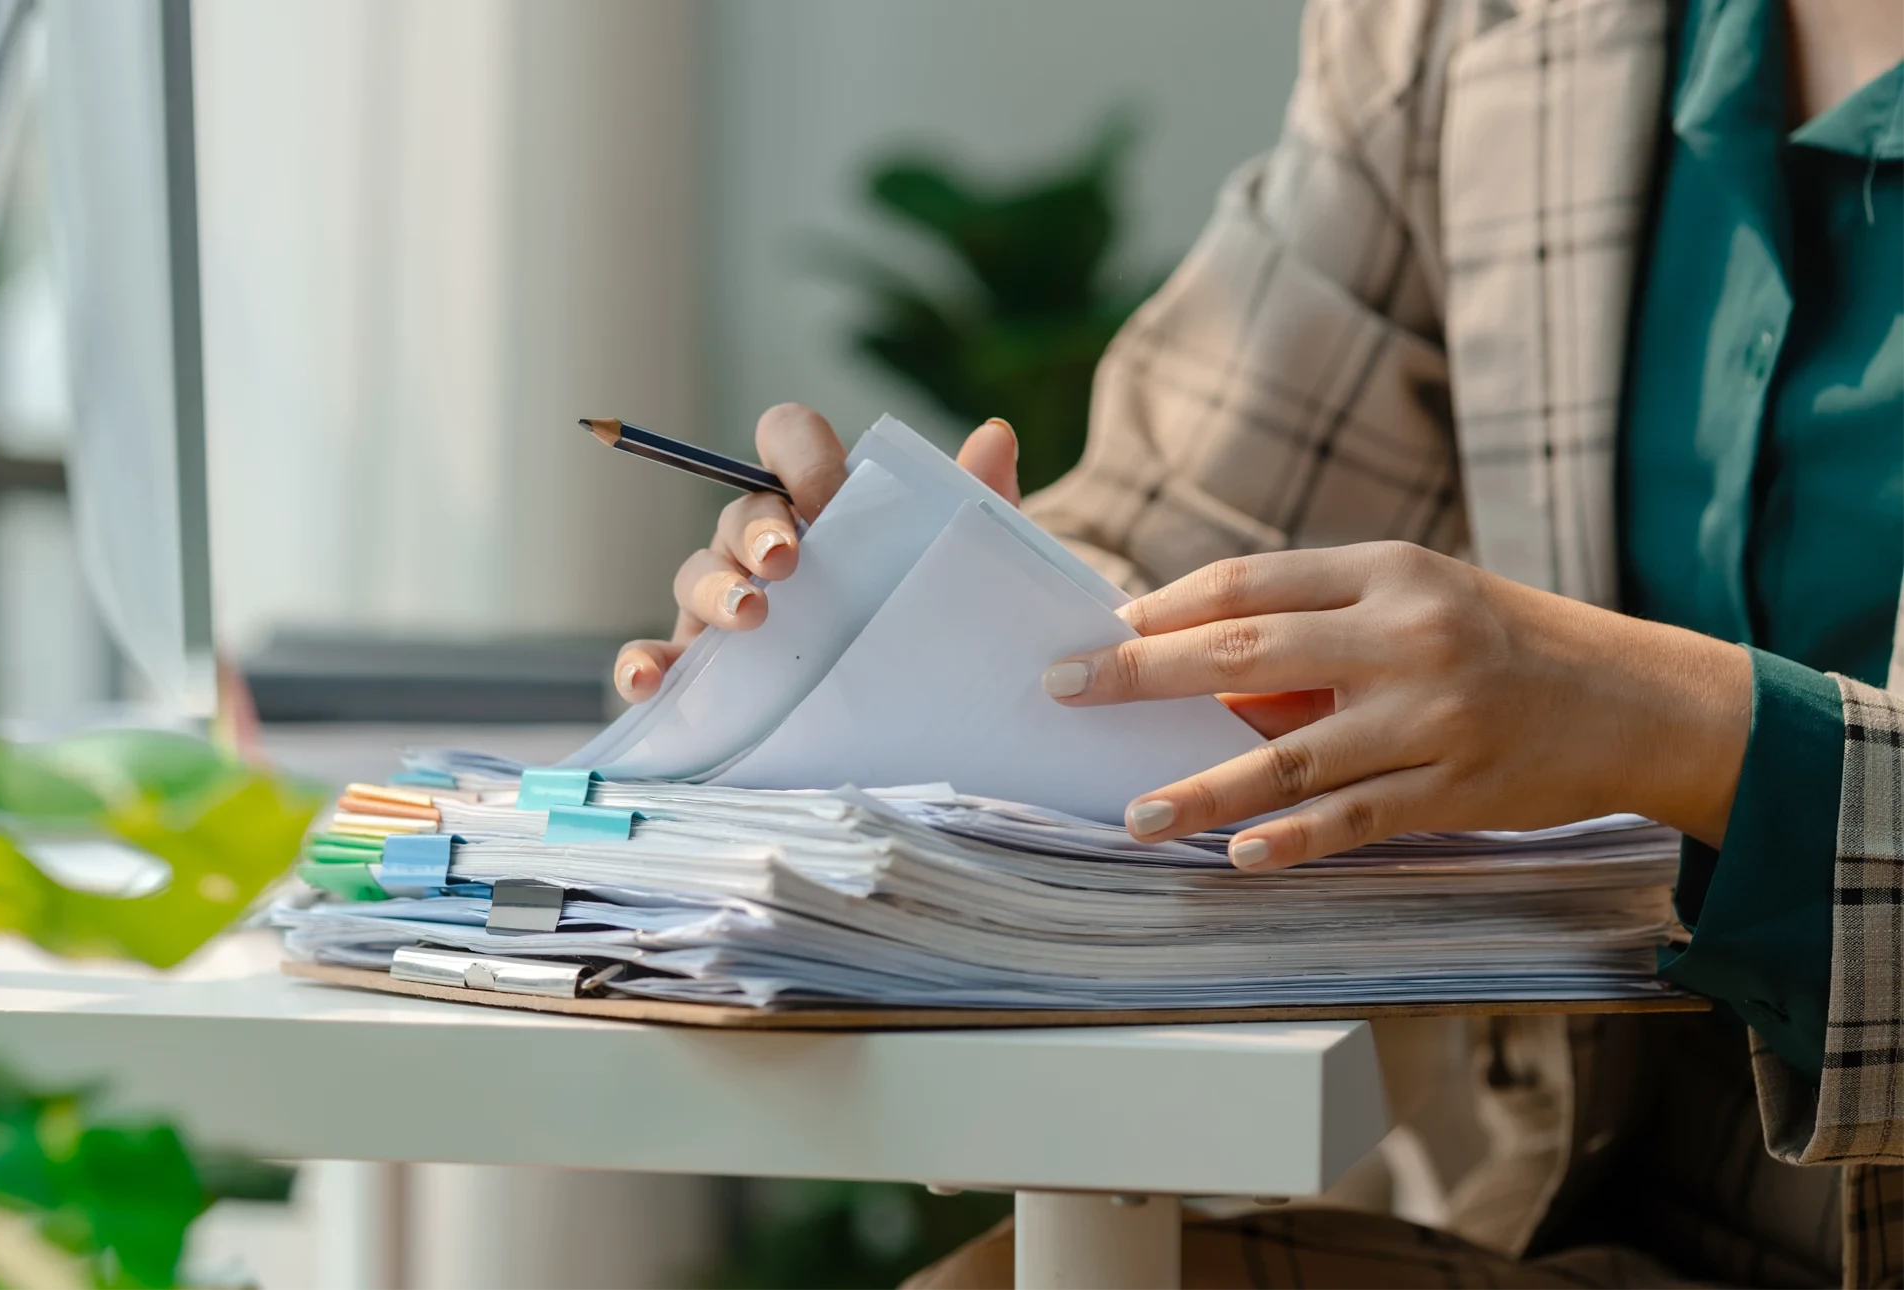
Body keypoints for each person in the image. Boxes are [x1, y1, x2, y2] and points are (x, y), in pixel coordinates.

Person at [615, 0, 1904, 1285]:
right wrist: (913, 615)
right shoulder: (1472, 32)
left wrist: (1671, 723)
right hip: (1585, 1219)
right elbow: (1182, 529)